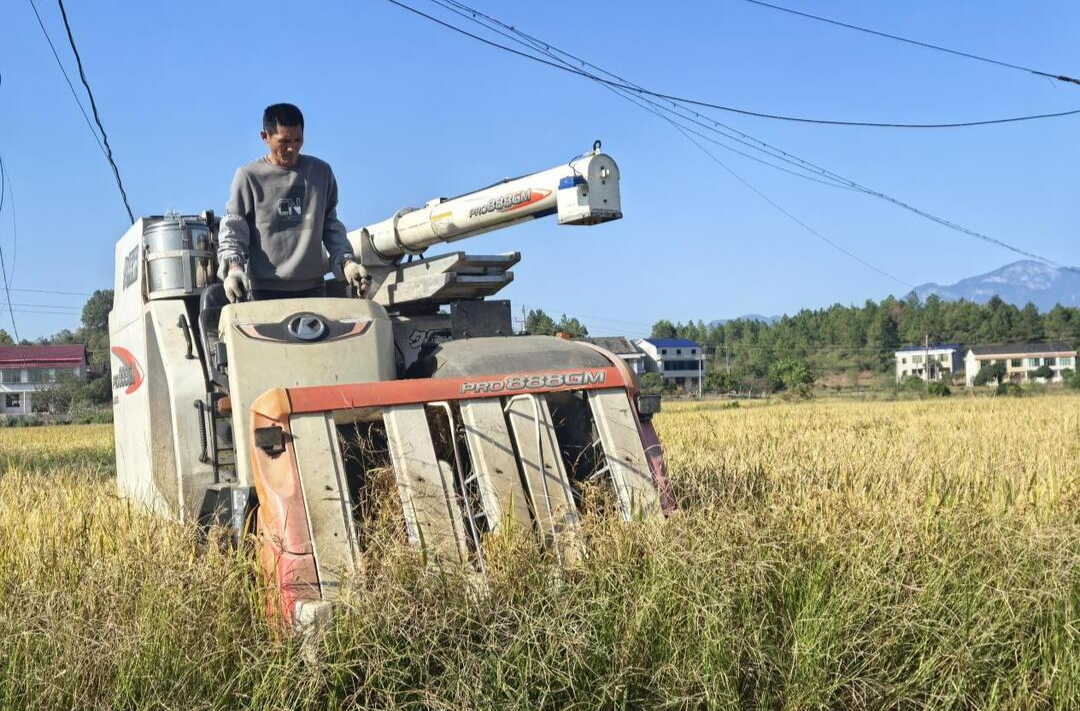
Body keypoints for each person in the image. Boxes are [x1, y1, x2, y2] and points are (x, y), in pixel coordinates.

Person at [217, 103, 365, 302]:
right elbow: (233, 227)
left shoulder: (321, 173)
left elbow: (330, 225)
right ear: (265, 137)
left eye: (298, 140)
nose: (292, 148)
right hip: (264, 292)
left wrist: (347, 262)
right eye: (284, 141)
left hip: (313, 289)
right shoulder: (248, 176)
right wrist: (233, 267)